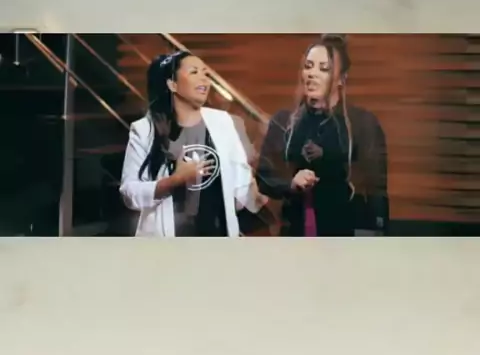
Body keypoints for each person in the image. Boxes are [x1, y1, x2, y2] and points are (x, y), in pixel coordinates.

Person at [120, 51, 267, 236]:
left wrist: (258, 197)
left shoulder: (223, 121)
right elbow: (129, 193)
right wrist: (174, 180)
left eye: (206, 73)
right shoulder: (145, 129)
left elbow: (241, 185)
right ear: (172, 84)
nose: (204, 79)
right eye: (194, 72)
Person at [256, 34, 389, 236]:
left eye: (323, 69)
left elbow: (376, 190)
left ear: (341, 79)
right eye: (308, 66)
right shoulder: (284, 122)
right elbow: (264, 175)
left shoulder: (362, 123)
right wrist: (291, 184)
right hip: (295, 231)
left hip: (345, 233)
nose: (312, 74)